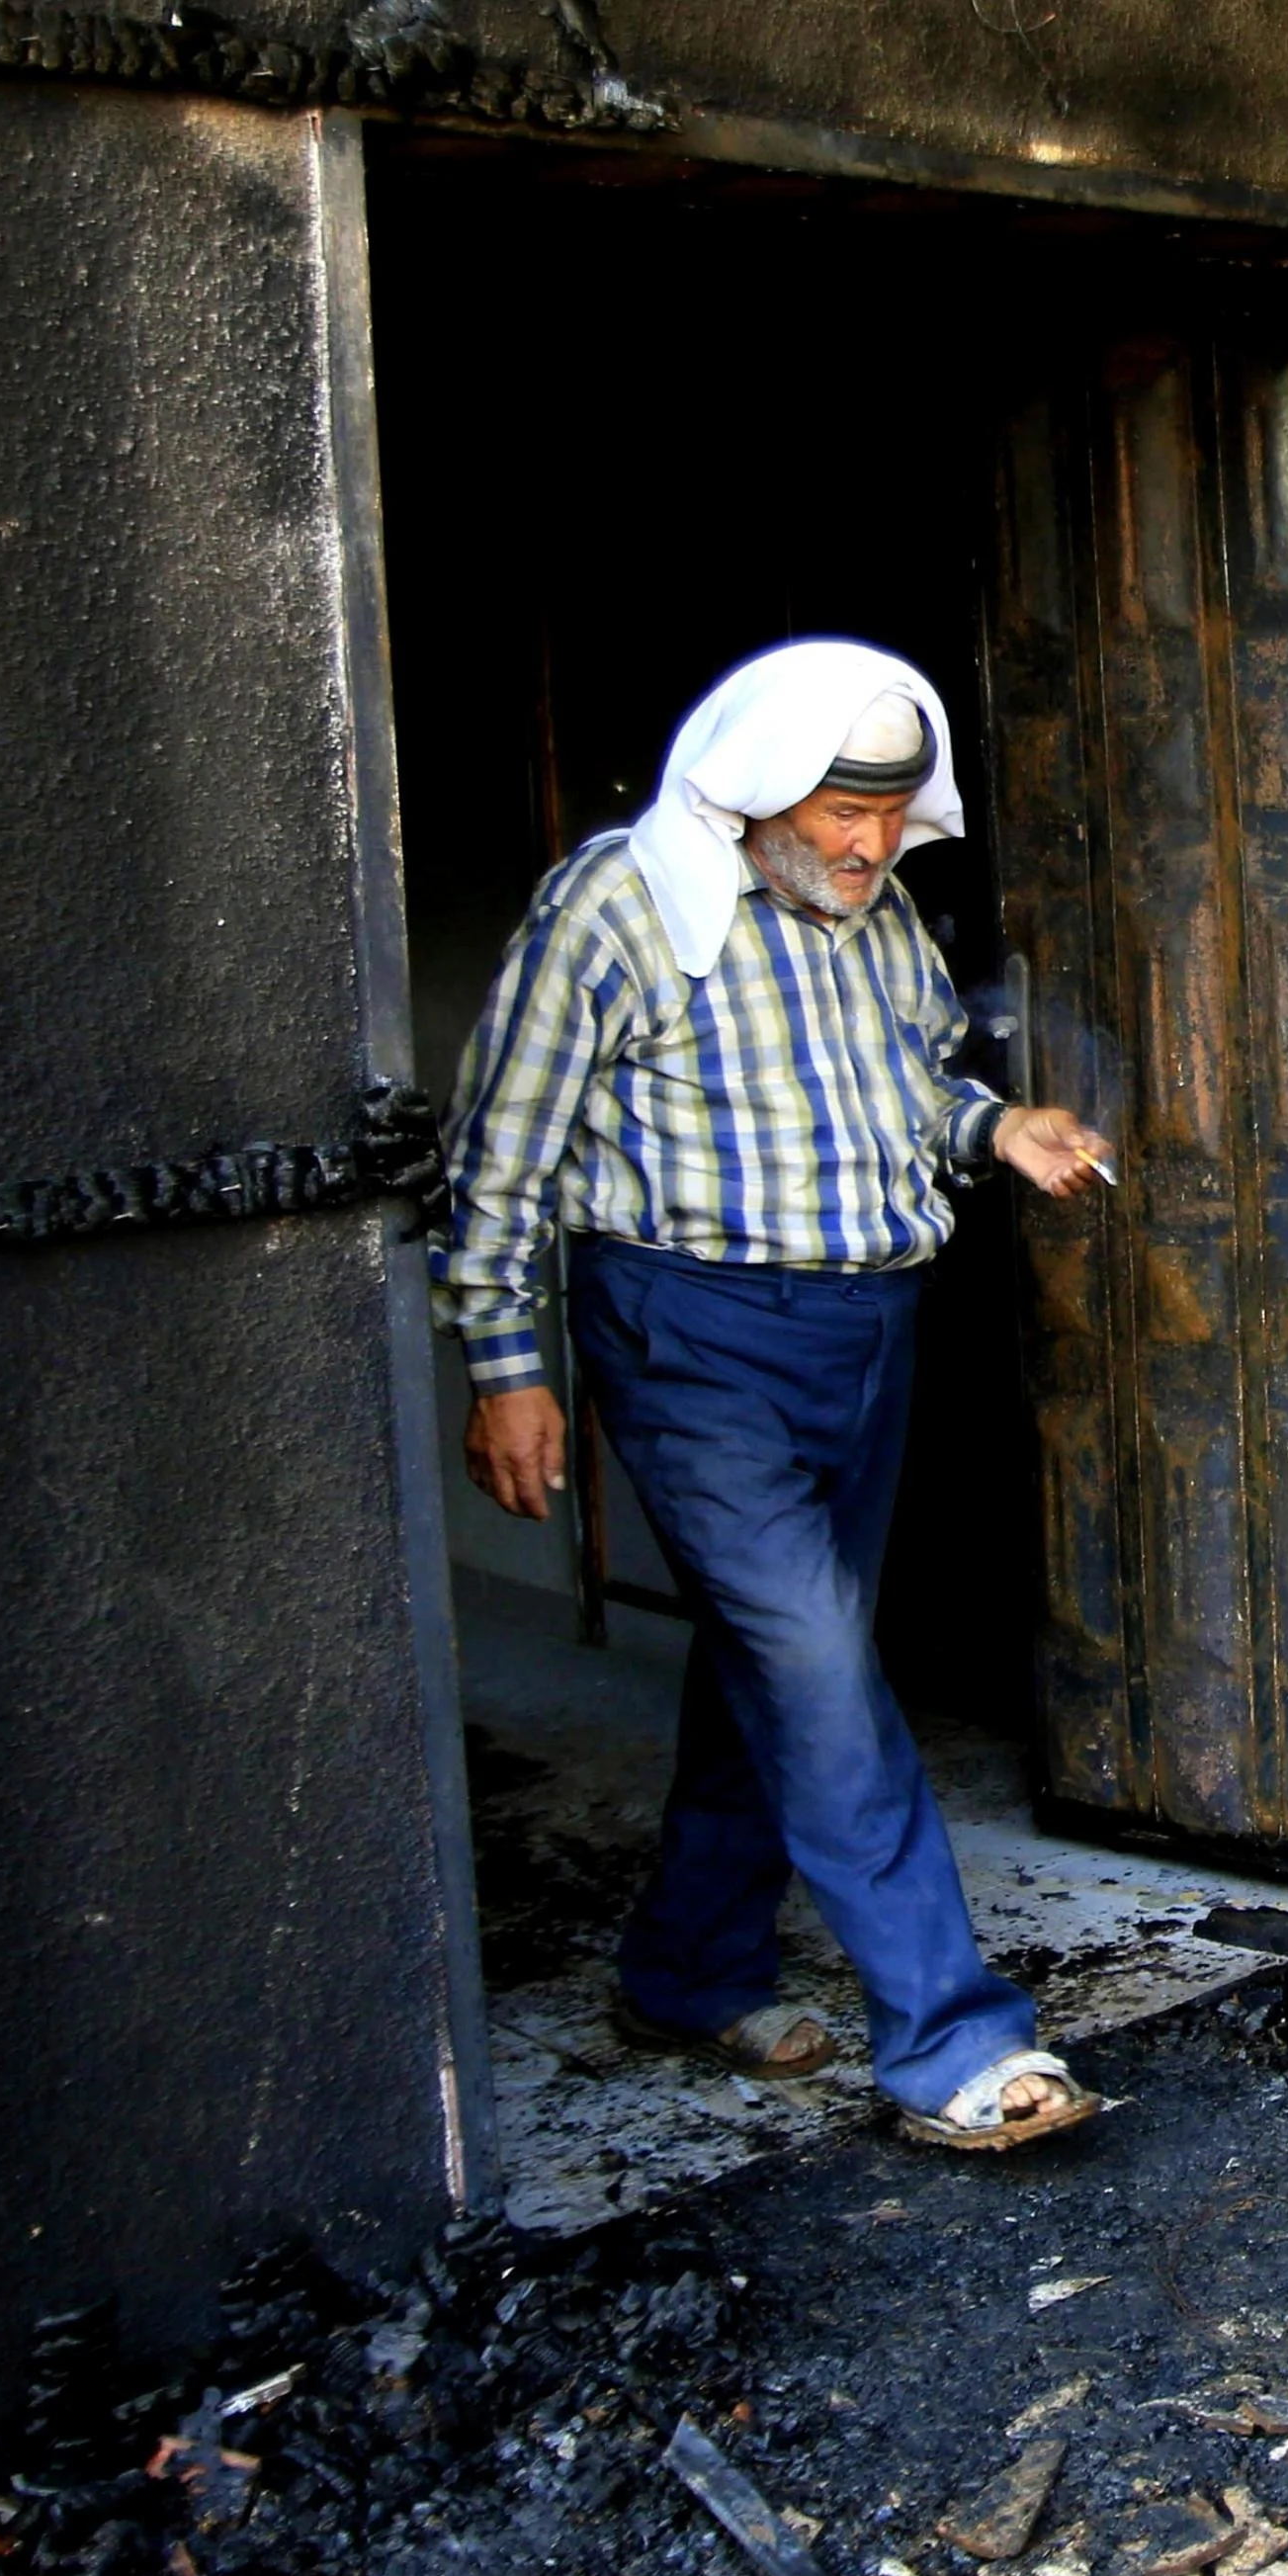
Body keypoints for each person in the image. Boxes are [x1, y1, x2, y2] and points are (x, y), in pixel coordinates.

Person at [437, 638, 1117, 2151]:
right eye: (836, 814)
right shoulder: (619, 904)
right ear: (753, 792)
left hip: (863, 1335)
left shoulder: (876, 920)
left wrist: (994, 1129)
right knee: (817, 1670)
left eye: (887, 814)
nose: (869, 844)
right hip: (692, 1338)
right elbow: (499, 1155)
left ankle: (686, 1970)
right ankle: (954, 2038)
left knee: (779, 1663)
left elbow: (904, 1092)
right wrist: (505, 1368)